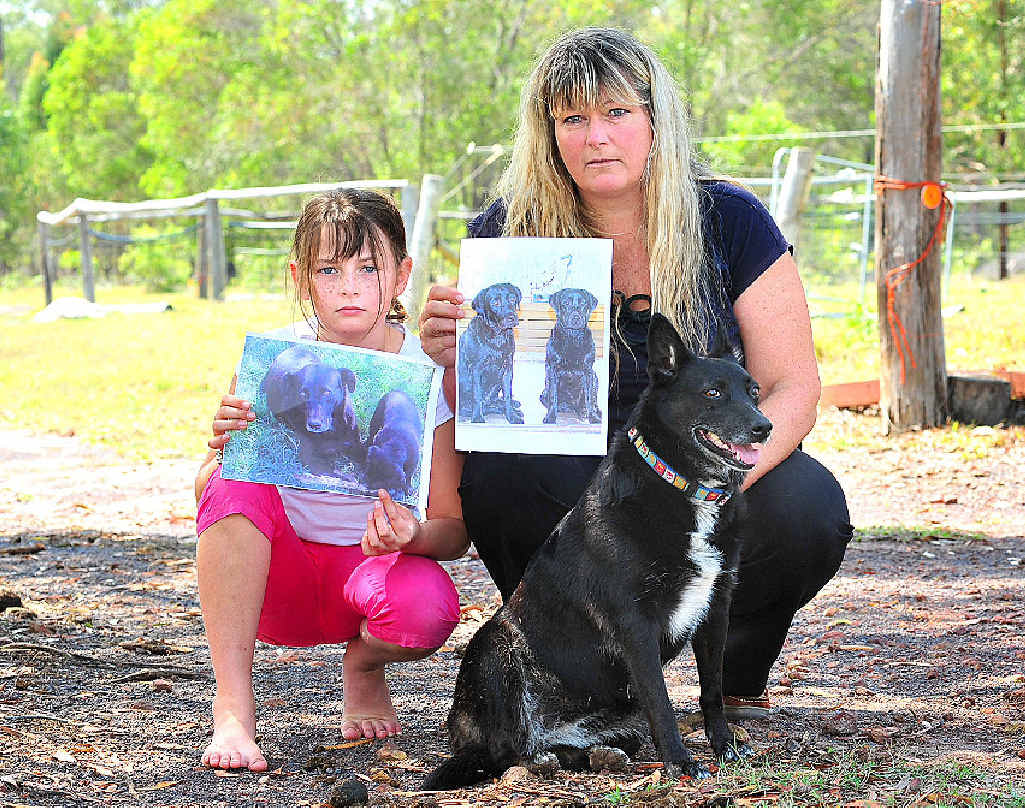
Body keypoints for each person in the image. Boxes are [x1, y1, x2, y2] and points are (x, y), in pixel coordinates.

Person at [419, 27, 852, 719]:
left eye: (617, 112)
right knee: (499, 476)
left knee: (806, 507)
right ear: (547, 132)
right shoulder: (506, 230)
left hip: (704, 461)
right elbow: (485, 417)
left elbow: (792, 384)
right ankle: (582, 673)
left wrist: (713, 482)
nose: (596, 137)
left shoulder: (728, 219)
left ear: (655, 120)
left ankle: (735, 663)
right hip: (577, 469)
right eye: (573, 118)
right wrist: (450, 357)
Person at [194, 189, 467, 771]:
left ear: (401, 275)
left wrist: (409, 537)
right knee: (232, 484)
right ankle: (234, 707)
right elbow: (211, 500)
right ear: (301, 277)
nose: (349, 286)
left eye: (369, 269)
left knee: (428, 609)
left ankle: (364, 665)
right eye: (329, 270)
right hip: (280, 581)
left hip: (369, 578)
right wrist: (220, 450)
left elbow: (454, 531)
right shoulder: (277, 359)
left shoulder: (428, 375)